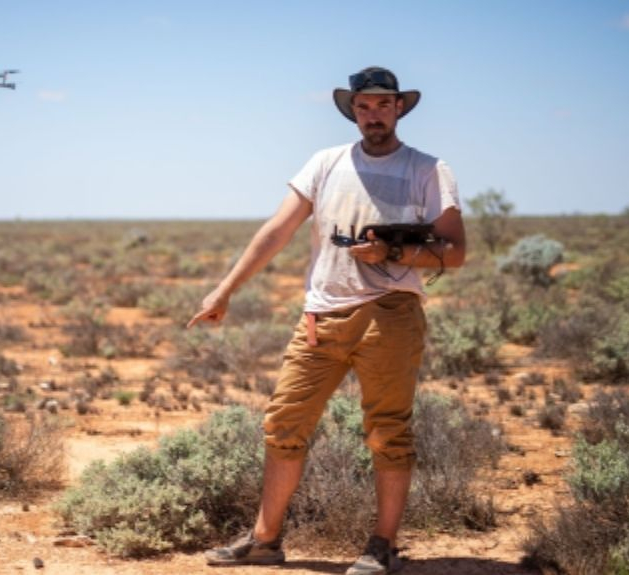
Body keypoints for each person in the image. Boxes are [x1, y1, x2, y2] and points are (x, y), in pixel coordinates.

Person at [186, 66, 466, 575]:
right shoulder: (326, 162)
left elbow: (455, 251)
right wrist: (224, 290)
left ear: (400, 107)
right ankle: (265, 541)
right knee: (283, 426)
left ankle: (382, 546)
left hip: (391, 316)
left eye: (383, 105)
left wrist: (391, 251)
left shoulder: (428, 169)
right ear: (352, 109)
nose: (373, 115)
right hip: (321, 315)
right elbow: (278, 230)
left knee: (388, 432)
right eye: (364, 106)